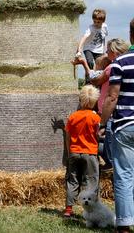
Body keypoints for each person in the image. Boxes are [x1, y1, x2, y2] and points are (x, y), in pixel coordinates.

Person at [99, 19, 134, 233]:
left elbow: (111, 98)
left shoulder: (122, 62)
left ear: (131, 34)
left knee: (124, 175)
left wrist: (102, 124)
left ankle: (123, 225)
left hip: (126, 125)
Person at [74, 39, 129, 171]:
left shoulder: (112, 67)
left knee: (103, 138)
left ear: (114, 52)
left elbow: (95, 79)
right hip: (119, 111)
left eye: (108, 50)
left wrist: (84, 64)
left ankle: (111, 164)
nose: (106, 52)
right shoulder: (124, 65)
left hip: (108, 111)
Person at [63, 85, 100, 218]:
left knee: (72, 180)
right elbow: (97, 135)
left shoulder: (72, 117)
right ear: (95, 101)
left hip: (74, 151)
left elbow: (67, 136)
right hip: (90, 153)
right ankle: (92, 210)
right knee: (91, 180)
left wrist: (69, 152)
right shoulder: (96, 118)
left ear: (80, 99)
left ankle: (68, 209)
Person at [76, 9, 108, 78]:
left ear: (103, 21)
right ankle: (88, 80)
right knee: (90, 62)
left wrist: (104, 50)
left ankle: (97, 81)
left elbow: (104, 39)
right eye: (94, 21)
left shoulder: (105, 27)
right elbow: (83, 38)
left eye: (98, 22)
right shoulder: (91, 28)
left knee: (100, 65)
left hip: (99, 50)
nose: (96, 23)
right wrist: (79, 50)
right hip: (88, 48)